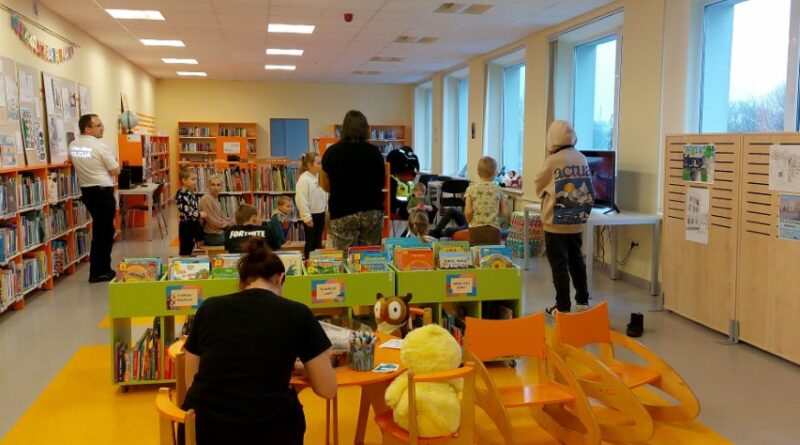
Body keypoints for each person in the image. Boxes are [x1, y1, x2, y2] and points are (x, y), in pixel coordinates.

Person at [182, 237, 337, 444]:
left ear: (241, 282)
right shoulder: (297, 313)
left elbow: (191, 380)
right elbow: (327, 389)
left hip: (203, 432)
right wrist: (307, 370)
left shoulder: (209, 308)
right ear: (280, 279)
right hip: (269, 432)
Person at [534, 120, 595, 316]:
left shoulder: (553, 160)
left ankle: (563, 306)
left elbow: (539, 185)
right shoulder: (582, 158)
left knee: (558, 264)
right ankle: (583, 300)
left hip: (555, 222)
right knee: (577, 260)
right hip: (577, 219)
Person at [321, 110, 386, 250]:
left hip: (343, 210)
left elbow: (325, 186)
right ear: (365, 128)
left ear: (344, 128)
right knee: (370, 255)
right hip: (372, 209)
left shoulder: (332, 152)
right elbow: (382, 182)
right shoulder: (375, 152)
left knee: (345, 256)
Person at [67, 114, 120, 283]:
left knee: (100, 230)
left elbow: (71, 161)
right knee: (105, 232)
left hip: (88, 192)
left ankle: (99, 269)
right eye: (99, 125)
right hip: (102, 192)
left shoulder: (73, 145)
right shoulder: (100, 146)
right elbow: (116, 170)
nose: (103, 128)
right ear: (87, 129)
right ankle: (100, 271)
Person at [464, 156, 509, 246]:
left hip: (475, 230)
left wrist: (470, 222)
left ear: (478, 172)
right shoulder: (498, 189)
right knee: (493, 254)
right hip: (493, 230)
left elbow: (468, 212)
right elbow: (505, 213)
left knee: (475, 254)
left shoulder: (471, 189)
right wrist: (495, 212)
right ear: (494, 173)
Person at [295, 152, 327, 258]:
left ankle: (318, 262)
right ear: (309, 165)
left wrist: (326, 208)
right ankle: (309, 262)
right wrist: (306, 217)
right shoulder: (304, 179)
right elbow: (301, 199)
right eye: (318, 163)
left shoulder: (319, 176)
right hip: (311, 215)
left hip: (321, 213)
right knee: (311, 241)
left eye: (321, 163)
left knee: (318, 241)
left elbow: (324, 194)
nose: (320, 166)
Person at [175, 168, 206, 256]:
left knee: (195, 243)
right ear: (184, 181)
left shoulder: (189, 192)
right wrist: (200, 214)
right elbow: (187, 213)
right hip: (187, 226)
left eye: (195, 179)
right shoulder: (183, 194)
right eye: (192, 179)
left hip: (193, 223)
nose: (195, 182)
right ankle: (184, 261)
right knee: (186, 248)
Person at [198, 174, 233, 246]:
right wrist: (228, 224)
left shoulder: (215, 198)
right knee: (239, 238)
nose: (215, 187)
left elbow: (222, 217)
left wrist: (232, 221)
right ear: (208, 186)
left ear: (221, 187)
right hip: (212, 236)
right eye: (213, 185)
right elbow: (213, 222)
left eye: (218, 185)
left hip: (218, 233)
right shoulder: (206, 199)